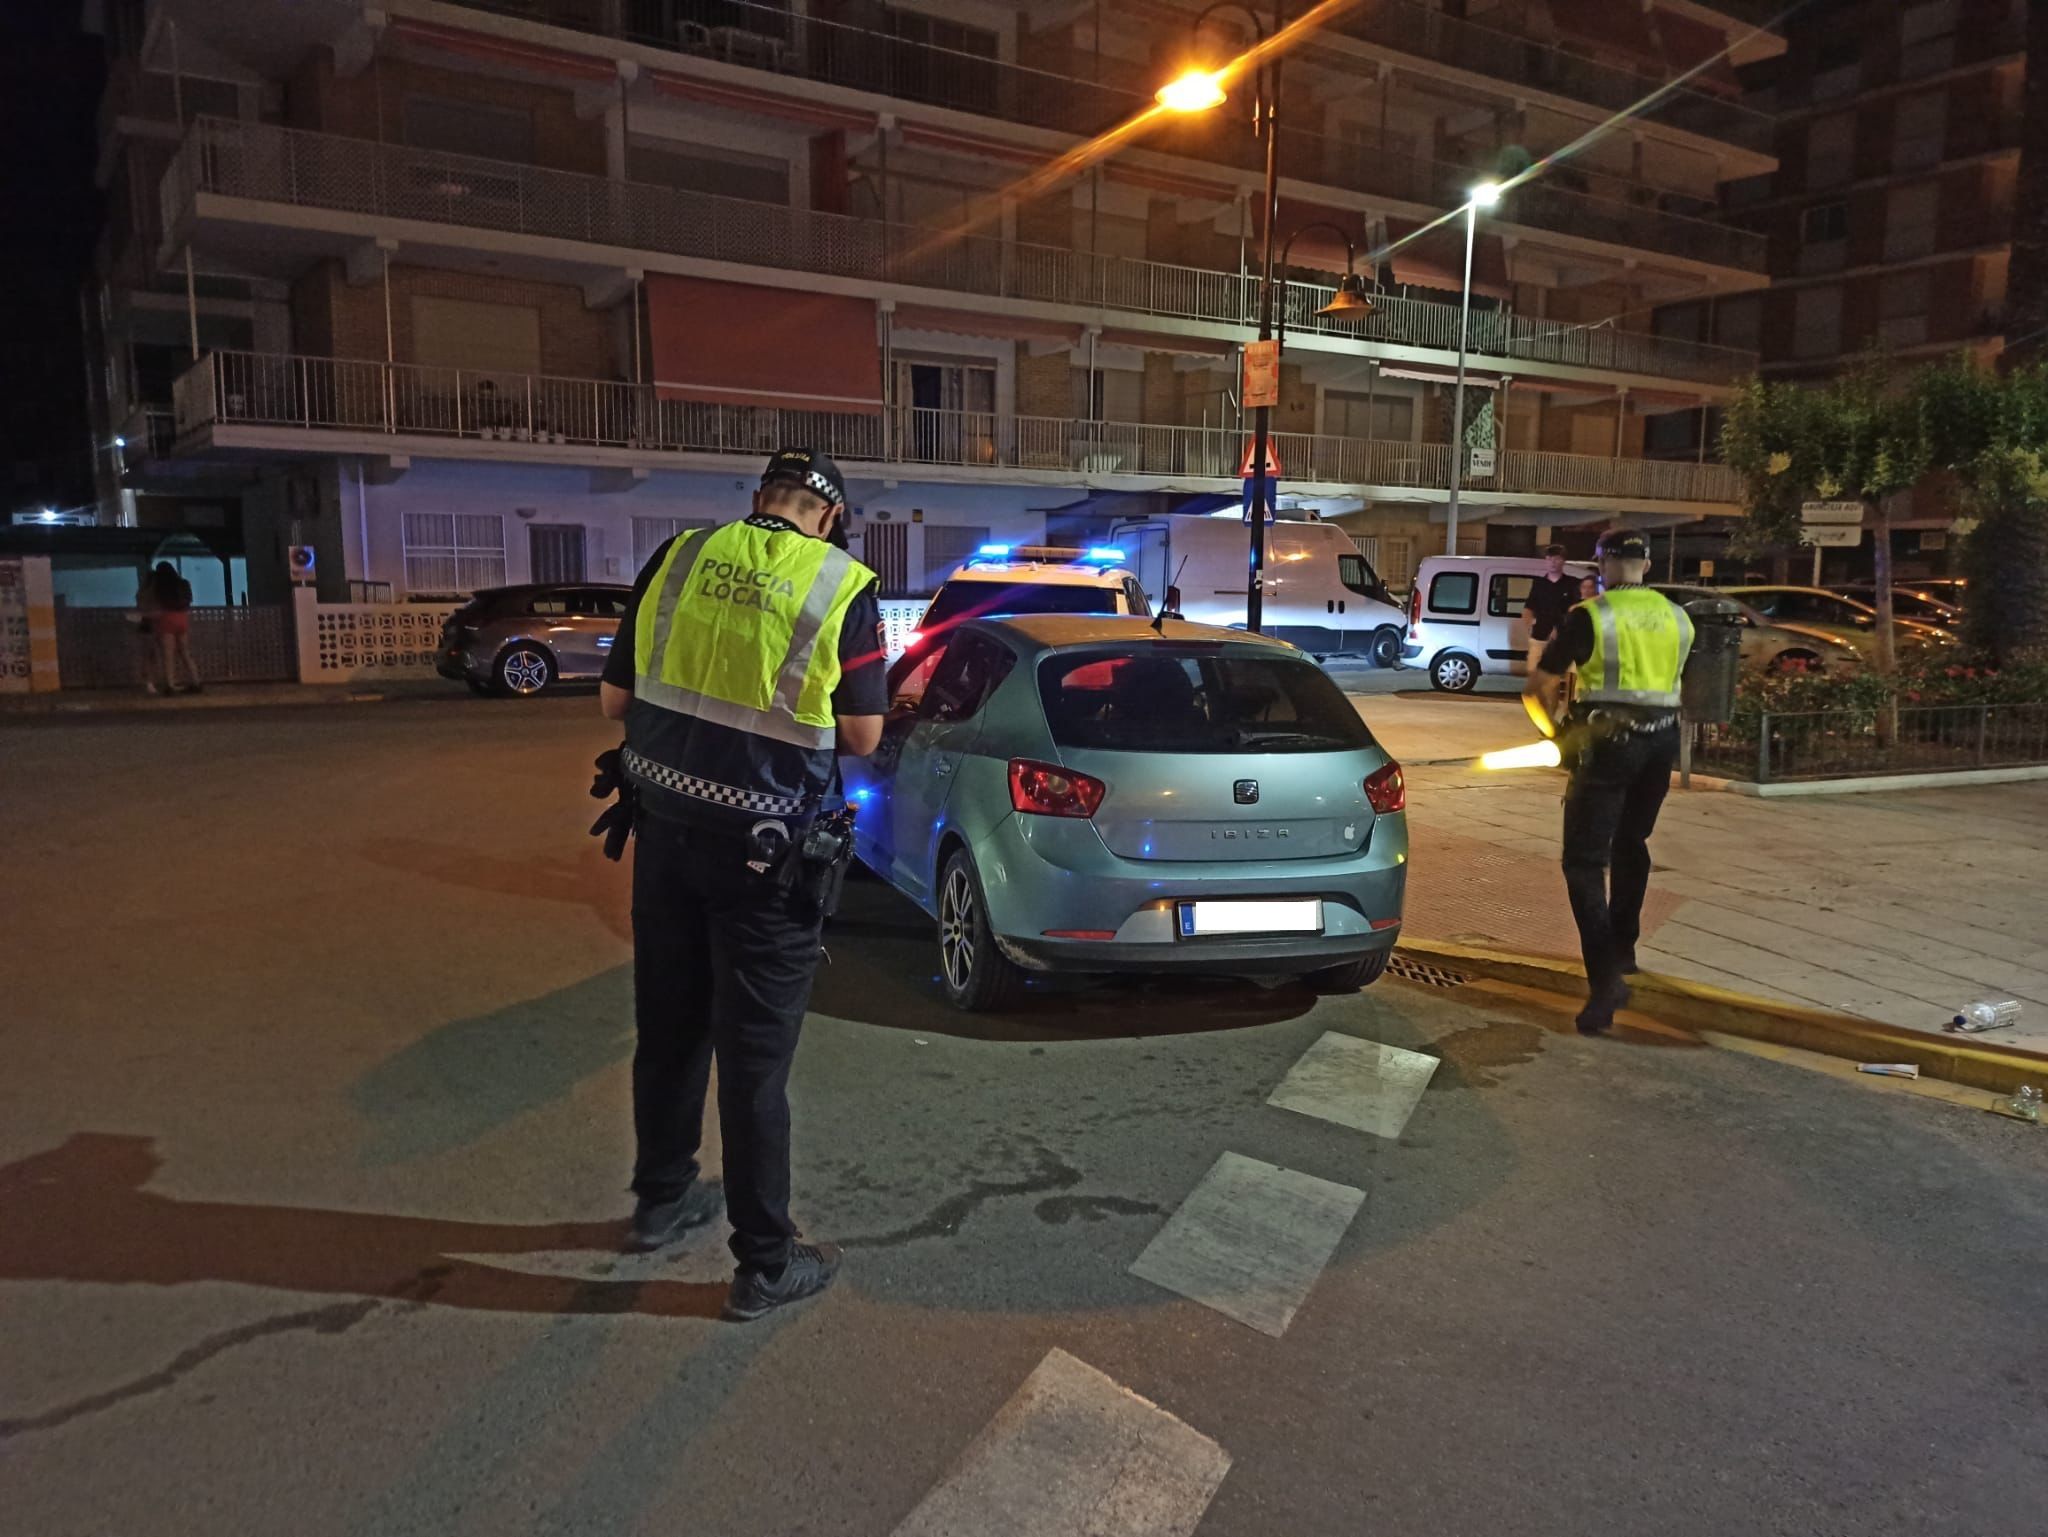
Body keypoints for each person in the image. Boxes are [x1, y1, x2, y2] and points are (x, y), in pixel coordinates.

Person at [594, 448, 886, 1322]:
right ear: (827, 517)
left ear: (759, 499)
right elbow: (864, 736)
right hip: (768, 857)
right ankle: (765, 1262)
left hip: (666, 836)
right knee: (754, 1062)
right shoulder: (840, 586)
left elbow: (614, 703)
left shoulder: (680, 557)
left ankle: (660, 1196)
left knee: (671, 1024)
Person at [1525, 530, 1694, 1036]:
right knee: (1632, 843)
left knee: (1582, 863)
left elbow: (1538, 687)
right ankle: (1624, 951)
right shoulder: (1677, 616)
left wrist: (1555, 735)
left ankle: (1604, 984)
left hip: (1608, 745)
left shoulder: (1591, 615)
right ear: (1647, 562)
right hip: (1663, 742)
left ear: (1602, 562)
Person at [149, 562, 202, 694]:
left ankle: (170, 685)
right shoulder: (184, 583)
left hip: (167, 618)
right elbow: (189, 600)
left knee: (168, 654)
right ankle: (196, 682)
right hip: (182, 618)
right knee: (185, 652)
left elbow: (157, 603)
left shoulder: (160, 586)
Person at [1522, 544, 1580, 644]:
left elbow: (1577, 609)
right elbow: (1529, 607)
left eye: (1556, 559)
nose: (1552, 562)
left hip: (1564, 639)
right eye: (1549, 559)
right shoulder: (1539, 584)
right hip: (1539, 637)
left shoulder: (1573, 583)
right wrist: (1530, 623)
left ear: (1563, 561)